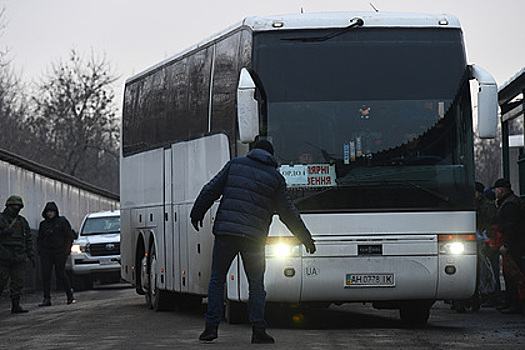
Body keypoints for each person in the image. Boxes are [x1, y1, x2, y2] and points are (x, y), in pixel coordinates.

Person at [190, 140, 316, 344]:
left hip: (227, 233)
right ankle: (258, 330)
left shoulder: (235, 165)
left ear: (253, 151)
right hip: (253, 238)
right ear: (271, 155)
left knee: (217, 279)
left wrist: (197, 213)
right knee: (256, 284)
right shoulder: (276, 178)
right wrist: (305, 238)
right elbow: (288, 213)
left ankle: (211, 328)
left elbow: (210, 189)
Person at [491, 178, 525, 314]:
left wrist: (506, 244)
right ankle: (511, 301)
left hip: (513, 245)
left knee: (514, 275)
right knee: (509, 274)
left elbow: (511, 226)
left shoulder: (509, 204)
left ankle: (516, 303)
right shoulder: (509, 202)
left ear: (500, 190)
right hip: (513, 243)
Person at [0, 195, 35, 314]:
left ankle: (16, 304)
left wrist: (31, 255)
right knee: (1, 280)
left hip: (18, 256)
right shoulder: (1, 219)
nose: (16, 208)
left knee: (18, 282)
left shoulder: (22, 221)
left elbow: (28, 239)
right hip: (3, 256)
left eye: (18, 206)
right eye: (14, 206)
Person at [37, 202, 76, 306]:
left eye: (52, 211)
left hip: (59, 252)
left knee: (61, 274)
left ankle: (69, 294)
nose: (50, 214)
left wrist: (66, 251)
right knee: (46, 275)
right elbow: (40, 239)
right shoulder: (43, 224)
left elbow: (69, 237)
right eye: (48, 212)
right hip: (47, 253)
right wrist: (40, 251)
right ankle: (46, 298)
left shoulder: (62, 222)